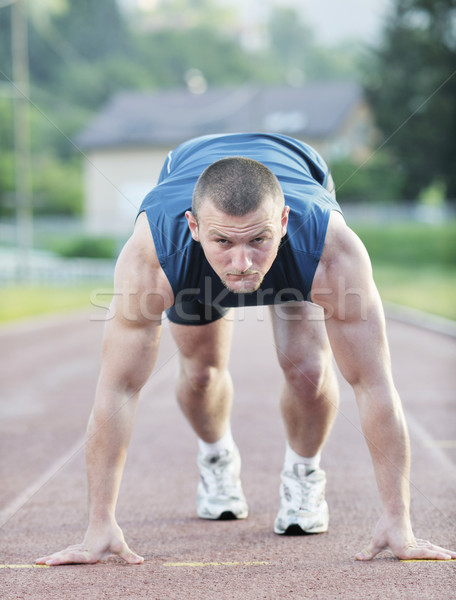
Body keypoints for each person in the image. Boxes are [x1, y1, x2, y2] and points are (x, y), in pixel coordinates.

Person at [36, 132, 455, 565]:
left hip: (300, 171)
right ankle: (217, 459)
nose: (242, 264)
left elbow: (373, 383)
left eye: (258, 240)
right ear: (194, 227)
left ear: (285, 223)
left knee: (309, 370)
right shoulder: (154, 255)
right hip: (188, 187)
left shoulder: (331, 250)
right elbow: (117, 389)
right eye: (224, 242)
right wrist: (99, 524)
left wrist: (398, 518)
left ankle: (304, 473)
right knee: (201, 372)